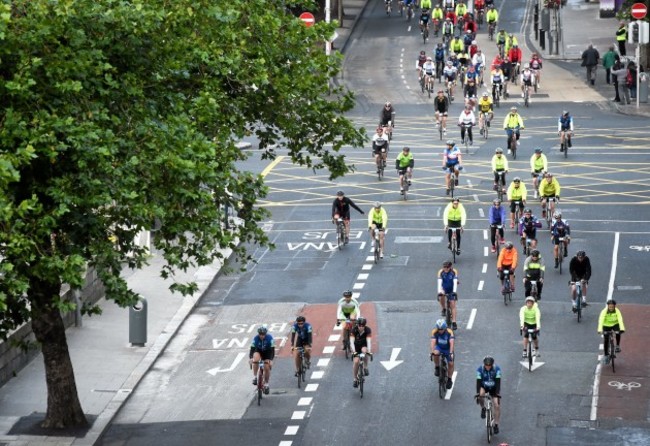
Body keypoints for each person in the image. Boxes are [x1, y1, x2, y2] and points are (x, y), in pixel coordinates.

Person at [476, 356, 502, 434]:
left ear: (492, 364)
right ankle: (483, 408)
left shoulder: (497, 369)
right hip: (484, 386)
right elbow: (478, 382)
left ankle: (496, 425)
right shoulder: (479, 369)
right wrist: (478, 393)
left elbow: (498, 382)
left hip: (494, 388)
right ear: (484, 364)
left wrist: (497, 394)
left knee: (496, 405)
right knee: (481, 395)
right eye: (486, 365)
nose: (487, 367)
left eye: (489, 365)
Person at [431, 318, 456, 389]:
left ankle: (449, 379)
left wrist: (451, 353)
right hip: (439, 347)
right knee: (435, 353)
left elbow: (451, 343)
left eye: (442, 329)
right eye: (439, 329)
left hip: (447, 348)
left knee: (451, 363)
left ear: (445, 328)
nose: (440, 331)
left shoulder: (449, 332)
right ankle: (437, 367)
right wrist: (432, 352)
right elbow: (433, 342)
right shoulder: (434, 331)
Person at [249, 325, 275, 393]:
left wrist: (271, 360)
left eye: (263, 334)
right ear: (258, 334)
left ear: (265, 334)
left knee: (267, 367)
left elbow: (272, 350)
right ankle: (255, 377)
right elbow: (252, 349)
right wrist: (251, 358)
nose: (262, 336)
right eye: (260, 334)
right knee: (256, 360)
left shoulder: (270, 338)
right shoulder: (255, 338)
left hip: (267, 352)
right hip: (258, 351)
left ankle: (266, 384)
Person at [598, 300, 625, 364]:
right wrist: (599, 330)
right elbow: (601, 320)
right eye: (610, 307)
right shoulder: (604, 311)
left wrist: (622, 329)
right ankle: (606, 354)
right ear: (608, 306)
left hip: (615, 324)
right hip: (606, 325)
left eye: (612, 307)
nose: (611, 308)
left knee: (618, 333)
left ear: (614, 306)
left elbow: (620, 320)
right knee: (606, 339)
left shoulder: (617, 311)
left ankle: (617, 346)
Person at [437, 260, 460, 330]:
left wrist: (454, 292)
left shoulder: (454, 271)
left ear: (450, 267)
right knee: (441, 296)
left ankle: (454, 322)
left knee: (453, 304)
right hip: (444, 288)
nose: (445, 269)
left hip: (451, 289)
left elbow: (455, 282)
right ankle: (443, 308)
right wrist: (439, 292)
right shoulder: (440, 272)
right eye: (444, 267)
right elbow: (439, 282)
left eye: (447, 267)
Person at [351, 317, 372, 387]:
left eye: (363, 325)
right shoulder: (354, 330)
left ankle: (365, 367)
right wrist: (354, 352)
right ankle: (355, 379)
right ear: (357, 325)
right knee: (356, 361)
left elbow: (369, 342)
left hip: (363, 345)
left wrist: (369, 351)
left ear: (365, 325)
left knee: (365, 351)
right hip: (355, 347)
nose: (361, 327)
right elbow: (351, 342)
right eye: (359, 325)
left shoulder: (368, 330)